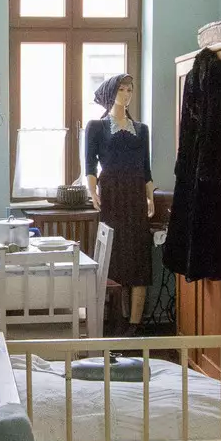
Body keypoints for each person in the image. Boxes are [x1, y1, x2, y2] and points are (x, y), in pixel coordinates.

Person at [83, 73, 154, 331]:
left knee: (139, 259)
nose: (126, 94)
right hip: (111, 195)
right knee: (114, 257)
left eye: (129, 89)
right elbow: (90, 164)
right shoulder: (97, 127)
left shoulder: (142, 130)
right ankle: (113, 323)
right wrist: (93, 192)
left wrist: (150, 197)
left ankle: (135, 327)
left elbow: (146, 169)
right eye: (121, 89)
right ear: (111, 93)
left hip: (136, 195)